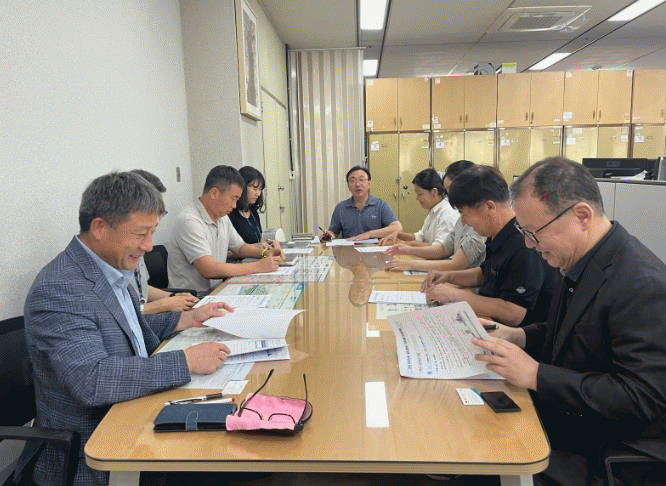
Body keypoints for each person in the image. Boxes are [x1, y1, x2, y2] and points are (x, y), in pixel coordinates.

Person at [19, 172, 234, 486]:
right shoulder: (60, 288)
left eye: (152, 232)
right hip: (92, 451)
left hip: (134, 414)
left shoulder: (111, 266)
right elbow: (92, 379)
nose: (148, 246)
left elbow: (127, 331)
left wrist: (184, 319)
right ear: (99, 228)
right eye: (141, 234)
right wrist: (185, 361)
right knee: (224, 455)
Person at [473, 157, 666, 486]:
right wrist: (519, 336)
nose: (528, 244)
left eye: (534, 232)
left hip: (604, 446)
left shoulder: (641, 283)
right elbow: (572, 330)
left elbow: (640, 396)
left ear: (582, 216)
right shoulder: (581, 259)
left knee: (487, 457)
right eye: (523, 232)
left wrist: (537, 375)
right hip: (570, 419)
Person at [423, 165, 558, 327]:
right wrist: (448, 276)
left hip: (515, 335)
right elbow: (486, 273)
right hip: (492, 321)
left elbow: (513, 313)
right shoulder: (498, 233)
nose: (463, 221)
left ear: (489, 207)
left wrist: (456, 296)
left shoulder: (524, 244)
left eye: (463, 212)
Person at [168, 165, 284, 294]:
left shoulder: (222, 217)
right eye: (233, 199)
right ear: (214, 193)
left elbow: (240, 248)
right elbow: (209, 269)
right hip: (193, 297)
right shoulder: (189, 221)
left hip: (218, 289)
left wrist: (266, 253)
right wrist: (258, 266)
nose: (234, 206)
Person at [385, 161, 486, 273]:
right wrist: (407, 249)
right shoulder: (460, 219)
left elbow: (456, 264)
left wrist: (410, 263)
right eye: (447, 191)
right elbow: (443, 249)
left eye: (451, 190)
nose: (449, 196)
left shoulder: (474, 222)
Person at [130, 169, 199, 314]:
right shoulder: (121, 251)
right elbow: (118, 315)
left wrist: (172, 297)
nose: (148, 247)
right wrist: (163, 305)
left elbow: (142, 289)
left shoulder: (140, 245)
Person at [380, 168, 457, 257]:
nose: (417, 198)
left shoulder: (447, 213)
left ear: (434, 192)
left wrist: (408, 245)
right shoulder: (434, 210)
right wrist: (399, 235)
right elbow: (421, 236)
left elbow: (439, 248)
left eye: (420, 194)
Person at [320, 165, 402, 241]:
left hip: (375, 248)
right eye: (353, 181)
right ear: (348, 186)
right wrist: (329, 235)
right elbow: (334, 232)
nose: (357, 184)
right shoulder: (341, 208)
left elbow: (397, 227)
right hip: (349, 248)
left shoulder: (381, 205)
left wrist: (369, 234)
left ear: (369, 184)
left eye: (361, 180)